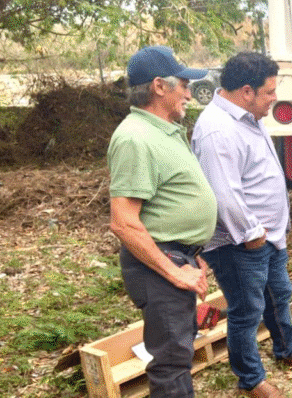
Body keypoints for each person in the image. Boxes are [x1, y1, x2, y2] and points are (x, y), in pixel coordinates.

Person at [191, 52, 292, 398]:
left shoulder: (247, 117)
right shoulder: (216, 130)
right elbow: (224, 194)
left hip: (266, 236)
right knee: (246, 311)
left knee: (277, 295)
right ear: (245, 91)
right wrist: (252, 235)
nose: (274, 98)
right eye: (269, 92)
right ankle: (251, 380)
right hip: (239, 241)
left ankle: (287, 349)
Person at [107, 45, 217, 397]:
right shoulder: (134, 138)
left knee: (179, 353)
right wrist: (174, 270)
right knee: (170, 361)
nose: (188, 92)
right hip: (160, 265)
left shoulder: (163, 130)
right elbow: (123, 223)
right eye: (183, 84)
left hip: (176, 253)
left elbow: (170, 201)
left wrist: (193, 252)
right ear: (159, 86)